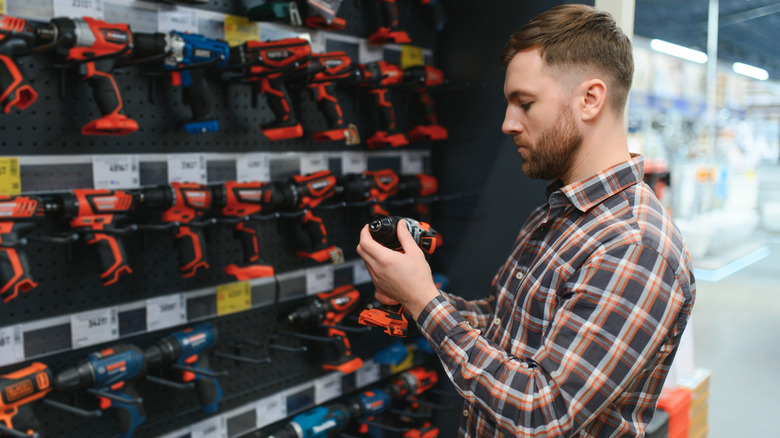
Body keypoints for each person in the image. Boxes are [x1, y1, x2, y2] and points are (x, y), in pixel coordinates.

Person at [356, 4, 696, 437]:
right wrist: (410, 290)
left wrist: (424, 299)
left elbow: (540, 412)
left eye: (525, 103)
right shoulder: (558, 213)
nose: (507, 124)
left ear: (590, 99)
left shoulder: (633, 247)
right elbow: (501, 325)